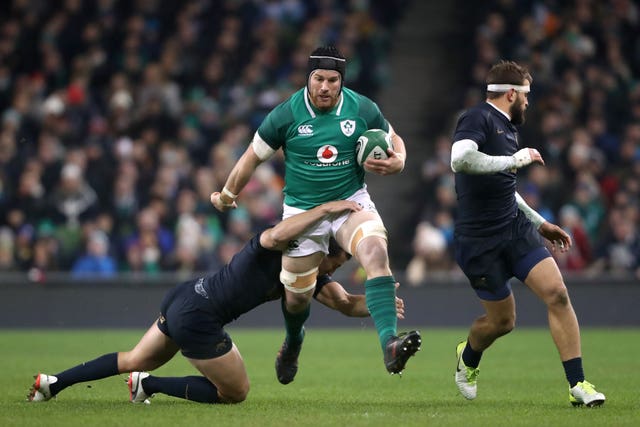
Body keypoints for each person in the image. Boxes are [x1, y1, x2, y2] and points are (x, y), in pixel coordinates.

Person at [28, 200, 405, 405]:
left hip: (187, 296)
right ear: (323, 249)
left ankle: (53, 383)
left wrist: (379, 300)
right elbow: (275, 232)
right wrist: (325, 210)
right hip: (200, 317)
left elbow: (343, 303)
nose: (337, 267)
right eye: (338, 259)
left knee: (133, 357)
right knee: (236, 392)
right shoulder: (274, 250)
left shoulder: (306, 276)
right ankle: (151, 385)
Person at [210, 46, 420, 382]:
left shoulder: (362, 107)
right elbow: (251, 156)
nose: (325, 86)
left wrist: (400, 159)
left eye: (332, 80)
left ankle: (390, 343)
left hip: (351, 201)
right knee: (296, 300)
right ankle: (294, 341)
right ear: (308, 79)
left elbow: (394, 138)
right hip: (302, 212)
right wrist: (227, 195)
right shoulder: (286, 114)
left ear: (341, 82)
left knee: (376, 252)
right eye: (318, 79)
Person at [449, 60, 605, 407]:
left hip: (514, 229)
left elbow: (504, 186)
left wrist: (538, 223)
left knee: (558, 294)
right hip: (479, 240)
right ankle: (468, 355)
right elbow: (459, 160)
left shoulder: (507, 128)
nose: (528, 104)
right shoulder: (478, 118)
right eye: (526, 96)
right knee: (502, 323)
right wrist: (513, 161)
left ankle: (578, 384)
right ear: (510, 94)